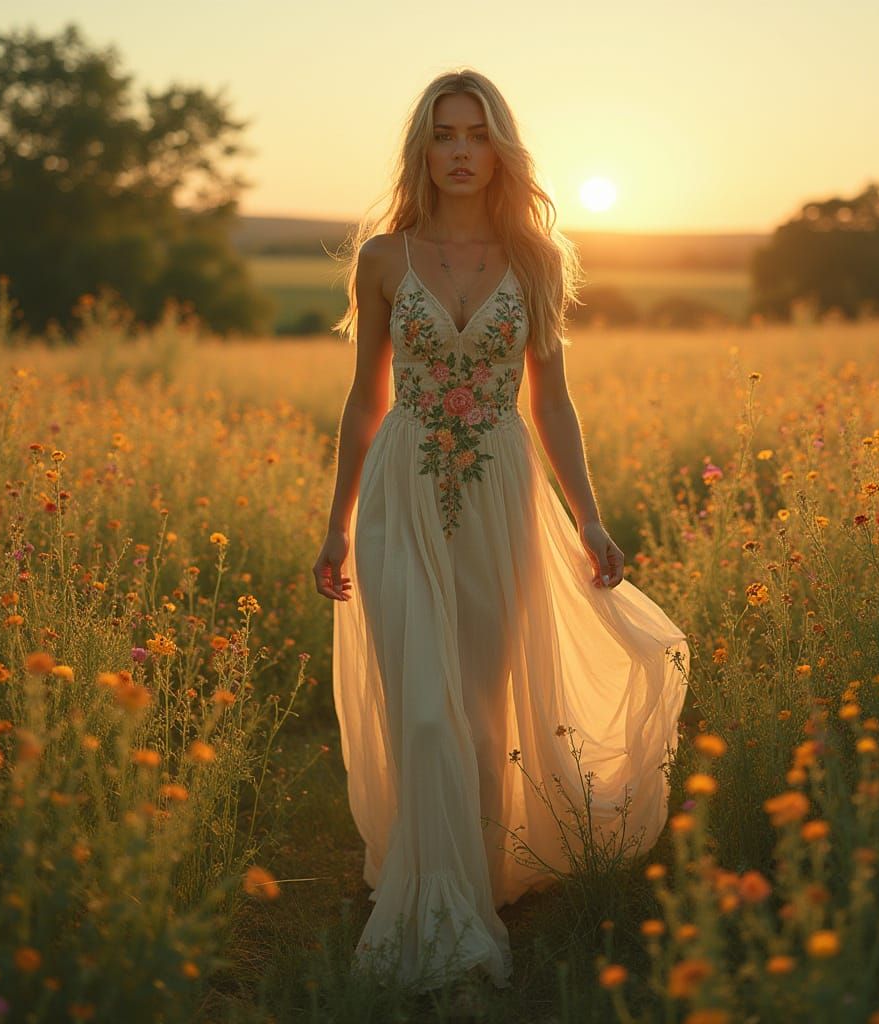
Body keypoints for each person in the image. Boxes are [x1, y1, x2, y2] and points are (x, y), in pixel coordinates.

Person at [312, 68, 690, 995]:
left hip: (498, 497)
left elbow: (551, 403)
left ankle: (471, 894)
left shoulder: (537, 263)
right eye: (445, 135)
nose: (461, 152)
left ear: (500, 148)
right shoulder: (384, 261)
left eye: (477, 134)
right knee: (426, 711)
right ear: (423, 150)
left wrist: (591, 516)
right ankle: (432, 915)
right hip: (402, 495)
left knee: (478, 716)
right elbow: (365, 397)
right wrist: (338, 525)